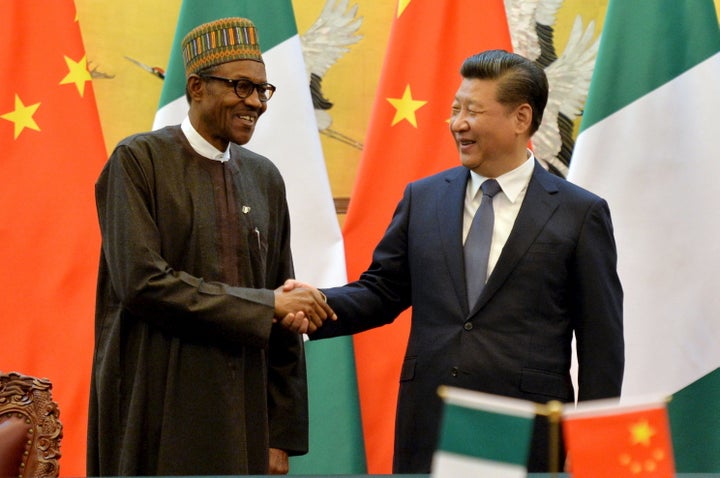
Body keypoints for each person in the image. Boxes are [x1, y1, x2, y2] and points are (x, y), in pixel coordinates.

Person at [303, 49, 624, 473]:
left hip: (526, 430)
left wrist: (592, 451)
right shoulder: (424, 198)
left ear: (521, 119)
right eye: (455, 109)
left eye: (472, 111)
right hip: (430, 421)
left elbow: (601, 342)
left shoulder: (579, 213)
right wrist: (311, 306)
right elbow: (381, 291)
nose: (458, 124)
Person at [87, 17, 333, 476]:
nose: (256, 103)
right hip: (155, 400)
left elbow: (283, 309)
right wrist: (268, 305)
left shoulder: (264, 177)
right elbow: (142, 283)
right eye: (241, 87)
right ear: (197, 87)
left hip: (245, 413)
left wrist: (279, 434)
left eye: (263, 90)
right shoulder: (137, 160)